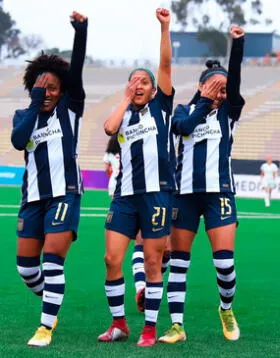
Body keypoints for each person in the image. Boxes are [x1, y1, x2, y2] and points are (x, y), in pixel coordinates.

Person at [158, 25, 246, 344]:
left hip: (219, 194)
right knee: (179, 262)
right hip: (184, 196)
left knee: (224, 264)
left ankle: (225, 308)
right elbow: (181, 128)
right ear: (201, 86)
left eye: (224, 91)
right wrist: (204, 104)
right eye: (215, 89)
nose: (220, 94)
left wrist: (237, 45)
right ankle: (178, 326)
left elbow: (234, 81)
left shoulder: (229, 113)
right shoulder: (184, 110)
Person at [97, 8, 174, 347]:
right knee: (111, 258)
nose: (139, 85)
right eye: (134, 82)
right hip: (125, 197)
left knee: (154, 263)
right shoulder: (125, 113)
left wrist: (165, 28)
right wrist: (125, 99)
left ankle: (149, 329)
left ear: (155, 90)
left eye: (145, 82)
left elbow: (165, 66)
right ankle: (119, 324)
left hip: (157, 195)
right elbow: (109, 128)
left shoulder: (162, 108)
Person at [12, 11, 87, 347]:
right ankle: (52, 299)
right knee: (27, 269)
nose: (49, 93)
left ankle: (45, 327)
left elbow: (78, 69)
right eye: (43, 88)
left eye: (54, 87)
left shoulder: (70, 108)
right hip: (32, 198)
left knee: (52, 262)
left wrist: (80, 32)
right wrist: (33, 102)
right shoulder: (24, 115)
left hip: (64, 194)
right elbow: (18, 141)